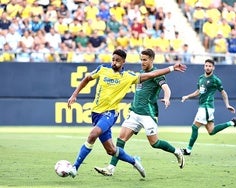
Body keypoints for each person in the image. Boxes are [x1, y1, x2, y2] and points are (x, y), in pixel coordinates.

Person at [67, 49, 187, 178]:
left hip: (141, 113)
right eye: (113, 60)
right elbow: (87, 78)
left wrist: (171, 72)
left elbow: (158, 80)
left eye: (145, 59)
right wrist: (74, 95)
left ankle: (176, 151)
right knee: (116, 145)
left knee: (154, 143)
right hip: (130, 112)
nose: (114, 63)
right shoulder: (104, 70)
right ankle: (121, 165)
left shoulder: (135, 76)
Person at [180, 59, 236, 155]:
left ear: (213, 67)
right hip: (204, 107)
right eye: (206, 65)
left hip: (206, 106)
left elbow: (223, 92)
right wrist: (187, 96)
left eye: (210, 66)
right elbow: (198, 92)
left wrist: (227, 105)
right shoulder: (201, 78)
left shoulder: (215, 80)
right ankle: (232, 123)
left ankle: (188, 150)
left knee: (194, 127)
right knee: (211, 131)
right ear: (204, 67)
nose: (208, 67)